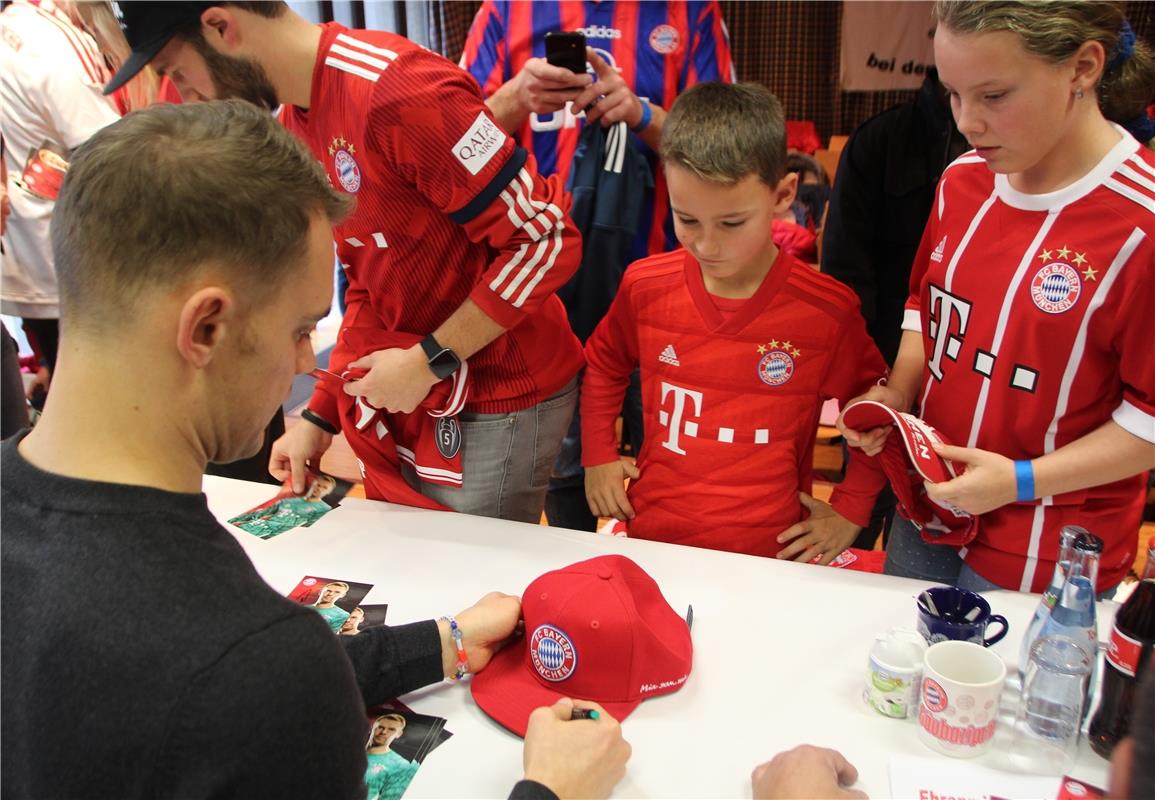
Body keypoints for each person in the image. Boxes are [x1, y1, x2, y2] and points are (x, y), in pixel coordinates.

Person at [0, 100, 630, 799]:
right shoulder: (262, 667)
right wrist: (550, 793)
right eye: (302, 328)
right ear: (206, 328)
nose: (308, 363)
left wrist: (439, 642)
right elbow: (247, 680)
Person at [106, 1, 584, 524]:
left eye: (179, 72)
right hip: (413, 392)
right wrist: (321, 411)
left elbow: (546, 239)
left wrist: (430, 359)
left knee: (470, 578)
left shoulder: (399, 91)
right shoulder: (297, 122)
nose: (186, 95)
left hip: (498, 393)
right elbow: (368, 278)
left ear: (221, 27)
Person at [840, 0, 1155, 595]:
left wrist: (1019, 480)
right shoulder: (963, 181)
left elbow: (1148, 421)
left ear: (1082, 69)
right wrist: (900, 392)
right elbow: (925, 309)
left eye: (994, 96)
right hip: (929, 504)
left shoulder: (1141, 226)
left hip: (1049, 541)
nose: (967, 123)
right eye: (952, 95)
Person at [581, 82, 888, 562]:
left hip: (771, 553)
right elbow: (603, 365)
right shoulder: (644, 286)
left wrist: (851, 508)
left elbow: (877, 413)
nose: (706, 245)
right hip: (653, 538)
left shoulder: (827, 311)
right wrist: (598, 454)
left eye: (731, 224)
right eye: (687, 220)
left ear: (783, 194)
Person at [460, 1, 735, 532]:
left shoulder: (691, 12)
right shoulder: (503, 12)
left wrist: (643, 115)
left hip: (669, 293)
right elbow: (452, 144)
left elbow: (726, 150)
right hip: (539, 298)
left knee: (675, 472)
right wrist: (518, 98)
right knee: (566, 476)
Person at [820, 67, 967, 551]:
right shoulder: (883, 140)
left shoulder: (993, 171)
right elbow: (850, 269)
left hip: (969, 393)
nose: (976, 119)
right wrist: (881, 376)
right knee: (868, 506)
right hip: (885, 362)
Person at [1, 0, 120, 405]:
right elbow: (112, 155)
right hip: (78, 264)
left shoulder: (15, 27)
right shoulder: (54, 36)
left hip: (31, 262)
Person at [228, 472, 339, 539]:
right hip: (252, 529)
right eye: (318, 485)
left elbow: (309, 531)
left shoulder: (324, 508)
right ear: (313, 484)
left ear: (329, 492)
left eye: (324, 487)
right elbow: (263, 512)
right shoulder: (289, 500)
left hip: (277, 536)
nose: (319, 488)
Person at [364, 713, 419, 800]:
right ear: (373, 727)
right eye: (380, 727)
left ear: (399, 734)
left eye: (391, 729)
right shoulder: (349, 750)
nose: (383, 732)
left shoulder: (400, 764)